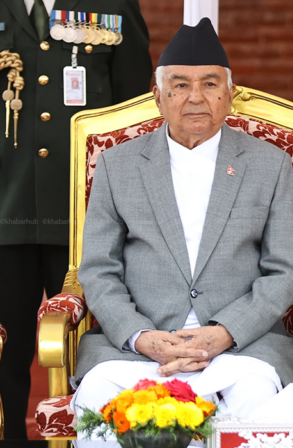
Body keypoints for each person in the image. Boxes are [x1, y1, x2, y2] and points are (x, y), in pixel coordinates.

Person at [71, 18, 293, 436]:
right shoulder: (117, 165)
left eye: (210, 84)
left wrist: (224, 333)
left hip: (242, 347)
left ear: (229, 95)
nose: (196, 97)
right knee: (98, 399)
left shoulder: (269, 165)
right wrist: (142, 336)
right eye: (180, 85)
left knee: (256, 401)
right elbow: (98, 270)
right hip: (138, 349)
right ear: (158, 97)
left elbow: (284, 270)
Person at [0, 0, 152, 439]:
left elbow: (131, 112)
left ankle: (91, 440)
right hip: (5, 211)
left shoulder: (112, 4)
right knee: (4, 352)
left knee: (90, 349)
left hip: (87, 217)